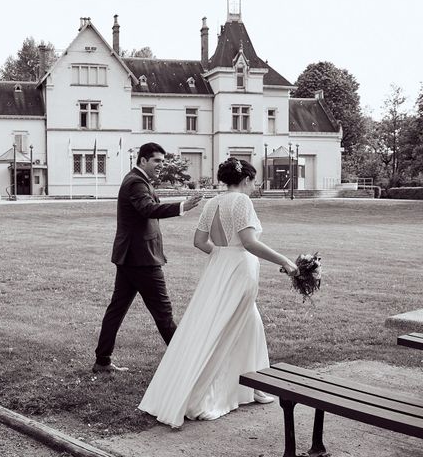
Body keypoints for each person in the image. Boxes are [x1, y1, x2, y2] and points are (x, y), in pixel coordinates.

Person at [138, 157, 298, 427]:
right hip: (239, 268)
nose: (253, 186)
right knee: (227, 327)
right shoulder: (242, 201)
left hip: (220, 266)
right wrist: (284, 260)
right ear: (246, 179)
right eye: (253, 181)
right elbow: (249, 243)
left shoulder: (212, 202)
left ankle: (255, 384)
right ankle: (205, 395)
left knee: (248, 323)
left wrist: (223, 256)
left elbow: (199, 242)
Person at [92, 142, 203, 373]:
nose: (161, 166)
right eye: (157, 161)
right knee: (163, 312)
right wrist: (182, 206)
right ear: (143, 160)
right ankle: (186, 364)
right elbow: (148, 209)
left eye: (162, 161)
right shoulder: (136, 182)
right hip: (141, 260)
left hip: (131, 257)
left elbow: (149, 208)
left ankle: (102, 361)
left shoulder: (138, 180)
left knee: (117, 309)